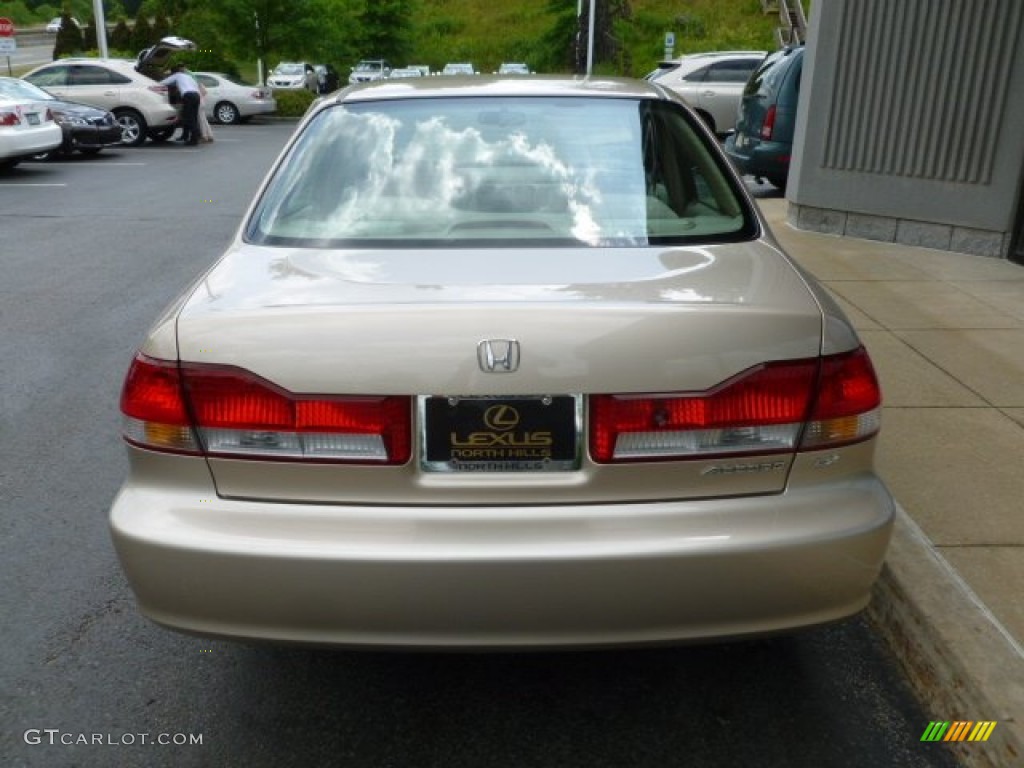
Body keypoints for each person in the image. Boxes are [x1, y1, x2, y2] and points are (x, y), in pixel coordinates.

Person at [160, 63, 201, 146]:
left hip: (188, 96)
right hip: (196, 95)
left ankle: (194, 140)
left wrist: (152, 83)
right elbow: (196, 86)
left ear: (174, 72)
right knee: (194, 117)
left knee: (189, 117)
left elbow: (163, 82)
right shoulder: (188, 77)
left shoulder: (177, 75)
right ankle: (188, 136)